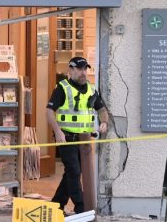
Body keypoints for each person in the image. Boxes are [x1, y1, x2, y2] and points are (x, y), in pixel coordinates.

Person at [46, 56, 109, 215]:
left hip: (84, 140)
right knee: (74, 172)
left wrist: (104, 122)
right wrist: (57, 131)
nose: (83, 73)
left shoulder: (91, 89)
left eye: (85, 69)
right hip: (67, 138)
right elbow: (49, 111)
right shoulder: (62, 87)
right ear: (71, 69)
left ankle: (56, 206)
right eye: (80, 69)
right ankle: (82, 209)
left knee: (71, 174)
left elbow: (101, 109)